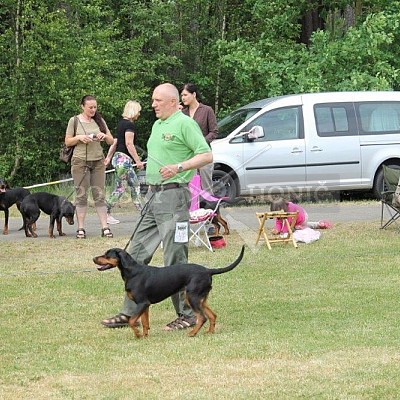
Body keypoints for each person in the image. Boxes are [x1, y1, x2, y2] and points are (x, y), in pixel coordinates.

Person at [102, 83, 213, 330]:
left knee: (174, 255)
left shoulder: (185, 123)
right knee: (136, 254)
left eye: (158, 100)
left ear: (174, 102)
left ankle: (187, 314)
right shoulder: (157, 124)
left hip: (174, 197)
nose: (153, 104)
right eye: (153, 100)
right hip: (153, 195)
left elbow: (206, 155)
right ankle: (129, 312)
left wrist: (179, 167)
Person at [64, 95, 114, 239]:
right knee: (82, 195)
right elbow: (67, 141)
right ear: (82, 106)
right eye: (90, 107)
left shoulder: (99, 120)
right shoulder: (74, 121)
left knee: (99, 194)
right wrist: (79, 138)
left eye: (95, 107)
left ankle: (105, 227)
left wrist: (103, 136)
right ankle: (80, 228)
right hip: (80, 162)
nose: (93, 110)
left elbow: (111, 141)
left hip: (98, 161)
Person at [104, 100, 145, 225]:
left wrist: (108, 157)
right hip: (124, 160)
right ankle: (106, 212)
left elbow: (116, 142)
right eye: (138, 111)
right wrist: (138, 161)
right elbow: (128, 143)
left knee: (135, 185)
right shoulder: (130, 125)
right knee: (121, 187)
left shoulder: (121, 123)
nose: (139, 114)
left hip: (118, 158)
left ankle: (142, 212)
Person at [181, 83, 218, 194]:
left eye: (185, 95)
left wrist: (201, 142)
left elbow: (214, 131)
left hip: (203, 154)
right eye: (181, 95)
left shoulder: (207, 110)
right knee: (189, 187)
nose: (183, 98)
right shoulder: (182, 114)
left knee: (206, 188)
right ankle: (192, 210)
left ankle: (211, 210)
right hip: (188, 156)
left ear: (194, 94)